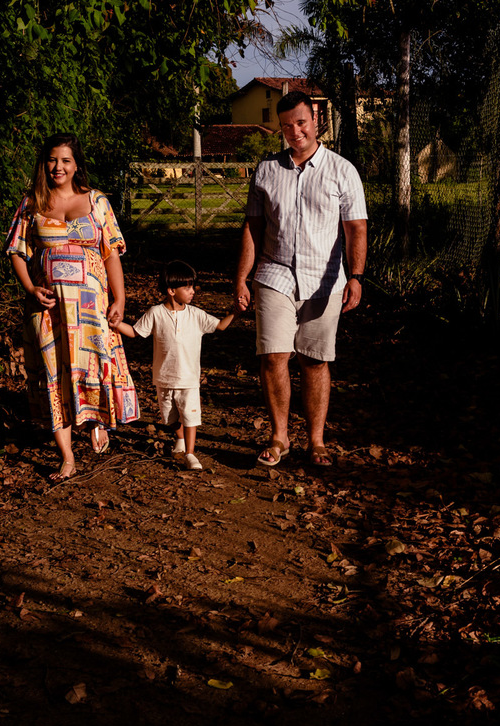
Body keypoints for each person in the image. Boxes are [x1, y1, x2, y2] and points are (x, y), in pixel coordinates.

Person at [234, 90, 368, 468]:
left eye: (301, 123)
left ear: (316, 121)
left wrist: (355, 276)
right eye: (287, 126)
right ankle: (279, 437)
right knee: (274, 356)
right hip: (274, 274)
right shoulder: (267, 171)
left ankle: (316, 440)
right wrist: (242, 277)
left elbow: (356, 228)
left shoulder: (343, 171)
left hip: (325, 280)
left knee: (314, 360)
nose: (295, 132)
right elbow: (253, 228)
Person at [4, 132, 139, 481]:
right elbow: (17, 252)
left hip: (92, 309)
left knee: (94, 364)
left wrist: (120, 300)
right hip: (49, 309)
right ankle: (67, 458)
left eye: (65, 160)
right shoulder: (32, 202)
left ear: (76, 164)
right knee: (54, 373)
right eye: (52, 160)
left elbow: (111, 255)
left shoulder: (97, 203)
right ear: (44, 164)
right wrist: (32, 288)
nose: (58, 167)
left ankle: (96, 419)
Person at [114, 261, 235, 471]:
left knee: (189, 417)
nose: (192, 292)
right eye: (187, 287)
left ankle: (190, 453)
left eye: (192, 286)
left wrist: (238, 311)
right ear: (171, 291)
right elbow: (135, 332)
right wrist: (115, 325)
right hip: (163, 377)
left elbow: (220, 326)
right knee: (170, 418)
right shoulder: (156, 313)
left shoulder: (196, 315)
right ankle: (179, 439)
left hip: (188, 379)